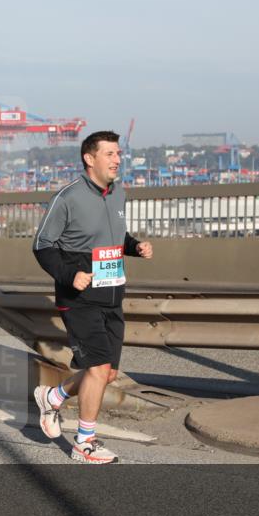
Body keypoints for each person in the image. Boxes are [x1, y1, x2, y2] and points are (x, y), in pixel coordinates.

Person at [31, 131, 153, 464]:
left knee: (107, 373)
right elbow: (43, 245)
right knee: (98, 367)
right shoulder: (68, 197)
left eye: (118, 154)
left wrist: (133, 246)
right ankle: (85, 443)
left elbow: (113, 234)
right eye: (110, 154)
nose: (117, 160)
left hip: (113, 293)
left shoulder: (118, 193)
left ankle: (53, 397)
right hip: (79, 296)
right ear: (90, 158)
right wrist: (69, 275)